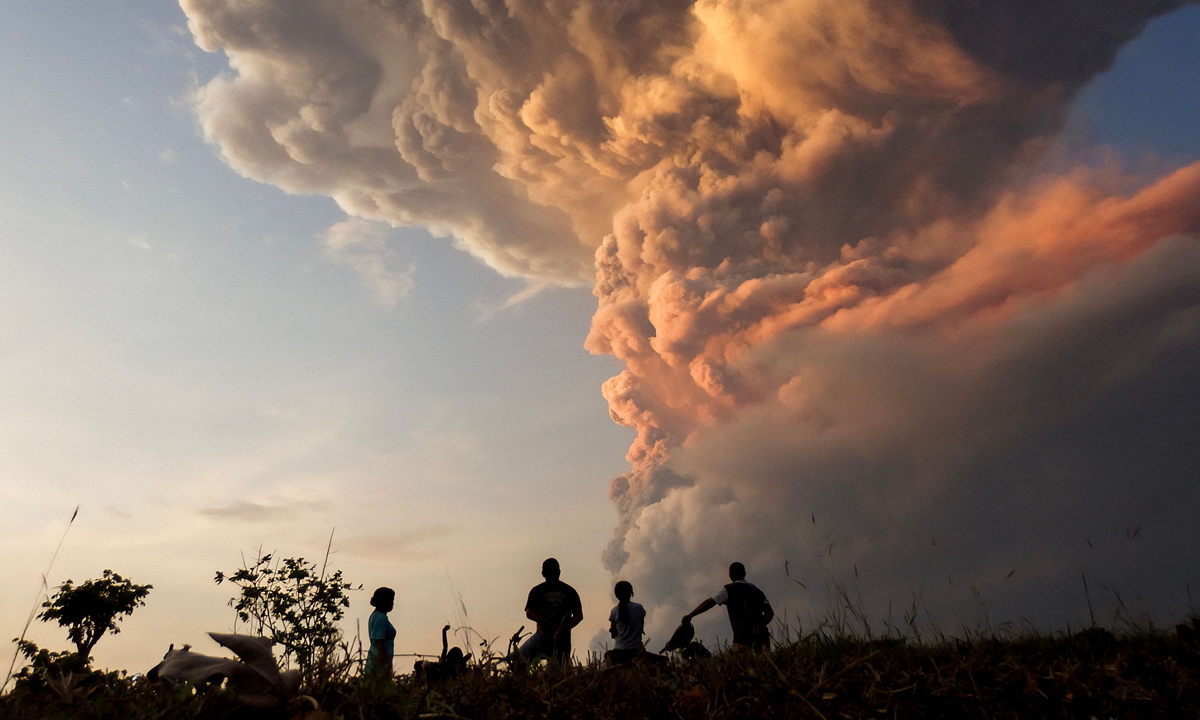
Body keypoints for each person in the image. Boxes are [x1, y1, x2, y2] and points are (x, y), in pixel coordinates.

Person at [682, 562, 774, 651]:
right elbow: (769, 613)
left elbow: (709, 603)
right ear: (744, 574)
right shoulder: (757, 591)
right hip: (762, 637)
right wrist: (760, 625)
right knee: (765, 663)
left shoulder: (728, 590)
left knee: (737, 664)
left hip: (741, 640)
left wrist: (690, 616)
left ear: (730, 575)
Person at [520, 558, 583, 666]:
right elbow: (578, 616)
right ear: (559, 572)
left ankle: (521, 681)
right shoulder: (569, 590)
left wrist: (562, 627)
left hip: (552, 636)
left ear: (543, 573)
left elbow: (529, 612)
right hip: (554, 636)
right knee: (561, 670)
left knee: (520, 659)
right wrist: (560, 626)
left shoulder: (537, 590)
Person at [605, 580, 647, 665]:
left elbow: (613, 635)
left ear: (616, 595)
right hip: (637, 650)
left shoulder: (614, 611)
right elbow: (641, 629)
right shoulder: (639, 608)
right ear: (631, 593)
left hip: (619, 651)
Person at [364, 587, 397, 677]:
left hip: (373, 660)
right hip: (378, 664)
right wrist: (386, 663)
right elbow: (379, 642)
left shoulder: (374, 616)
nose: (392, 603)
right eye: (390, 600)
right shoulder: (381, 618)